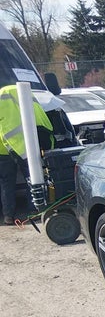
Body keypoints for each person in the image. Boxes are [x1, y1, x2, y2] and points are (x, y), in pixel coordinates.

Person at [0, 84, 54, 224]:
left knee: (7, 182)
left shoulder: (4, 96)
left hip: (4, 148)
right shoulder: (24, 93)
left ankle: (8, 215)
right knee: (32, 178)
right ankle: (36, 209)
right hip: (27, 145)